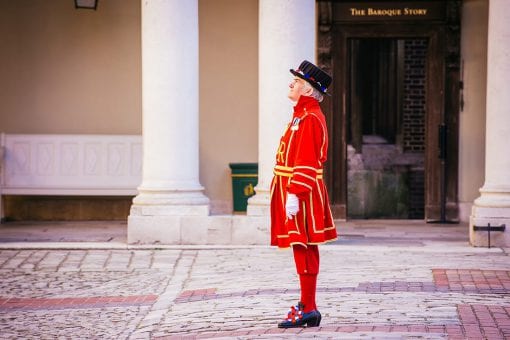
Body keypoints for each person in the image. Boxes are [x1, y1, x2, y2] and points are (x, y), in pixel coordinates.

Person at [270, 60, 338, 328]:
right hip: (297, 189)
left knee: (304, 245)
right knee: (302, 246)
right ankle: (307, 305)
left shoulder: (310, 118)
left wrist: (294, 193)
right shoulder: (302, 115)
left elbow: (307, 160)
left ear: (309, 90)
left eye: (297, 82)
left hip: (302, 191)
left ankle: (308, 307)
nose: (292, 84)